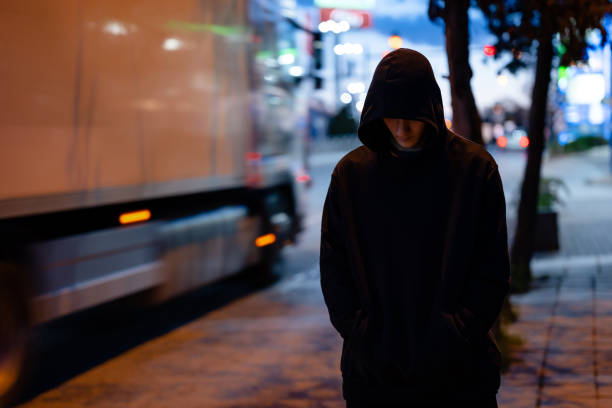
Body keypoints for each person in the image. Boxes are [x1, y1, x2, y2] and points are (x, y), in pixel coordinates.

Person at [319, 48, 510, 407]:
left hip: (460, 376)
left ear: (430, 109)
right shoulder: (351, 175)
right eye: (390, 117)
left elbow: (492, 269)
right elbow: (334, 267)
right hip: (375, 377)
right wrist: (363, 333)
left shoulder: (473, 170)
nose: (401, 129)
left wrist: (455, 332)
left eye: (411, 117)